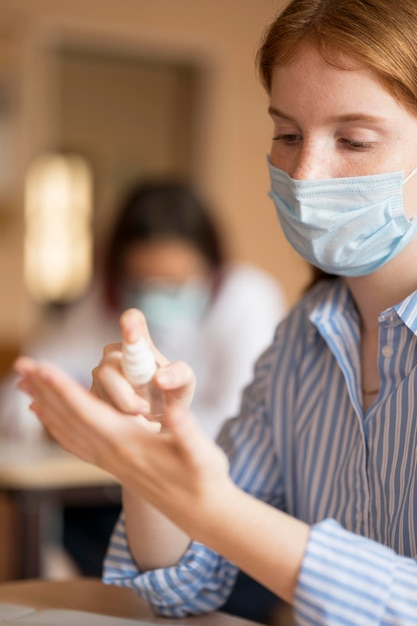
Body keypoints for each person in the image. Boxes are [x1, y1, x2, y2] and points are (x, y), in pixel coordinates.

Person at [14, 0, 417, 623]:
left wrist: (214, 507)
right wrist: (149, 451)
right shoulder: (302, 342)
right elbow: (187, 587)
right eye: (286, 134)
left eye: (354, 140)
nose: (305, 175)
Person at [2, 180, 285, 618]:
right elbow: (21, 396)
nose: (160, 294)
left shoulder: (247, 299)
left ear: (211, 268)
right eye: (144, 281)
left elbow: (239, 425)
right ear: (119, 274)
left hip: (221, 513)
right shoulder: (98, 302)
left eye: (176, 282)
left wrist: (133, 426)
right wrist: (68, 410)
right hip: (113, 509)